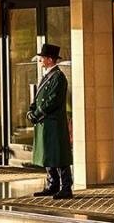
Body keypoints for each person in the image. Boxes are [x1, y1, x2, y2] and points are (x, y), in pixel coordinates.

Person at [28, 43, 72, 199]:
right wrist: (31, 111)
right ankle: (52, 185)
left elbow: (52, 101)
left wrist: (37, 114)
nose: (40, 60)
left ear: (50, 59)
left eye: (42, 57)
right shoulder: (47, 75)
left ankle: (66, 188)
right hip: (45, 123)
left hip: (53, 123)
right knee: (48, 154)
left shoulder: (58, 77)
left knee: (59, 155)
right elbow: (38, 97)